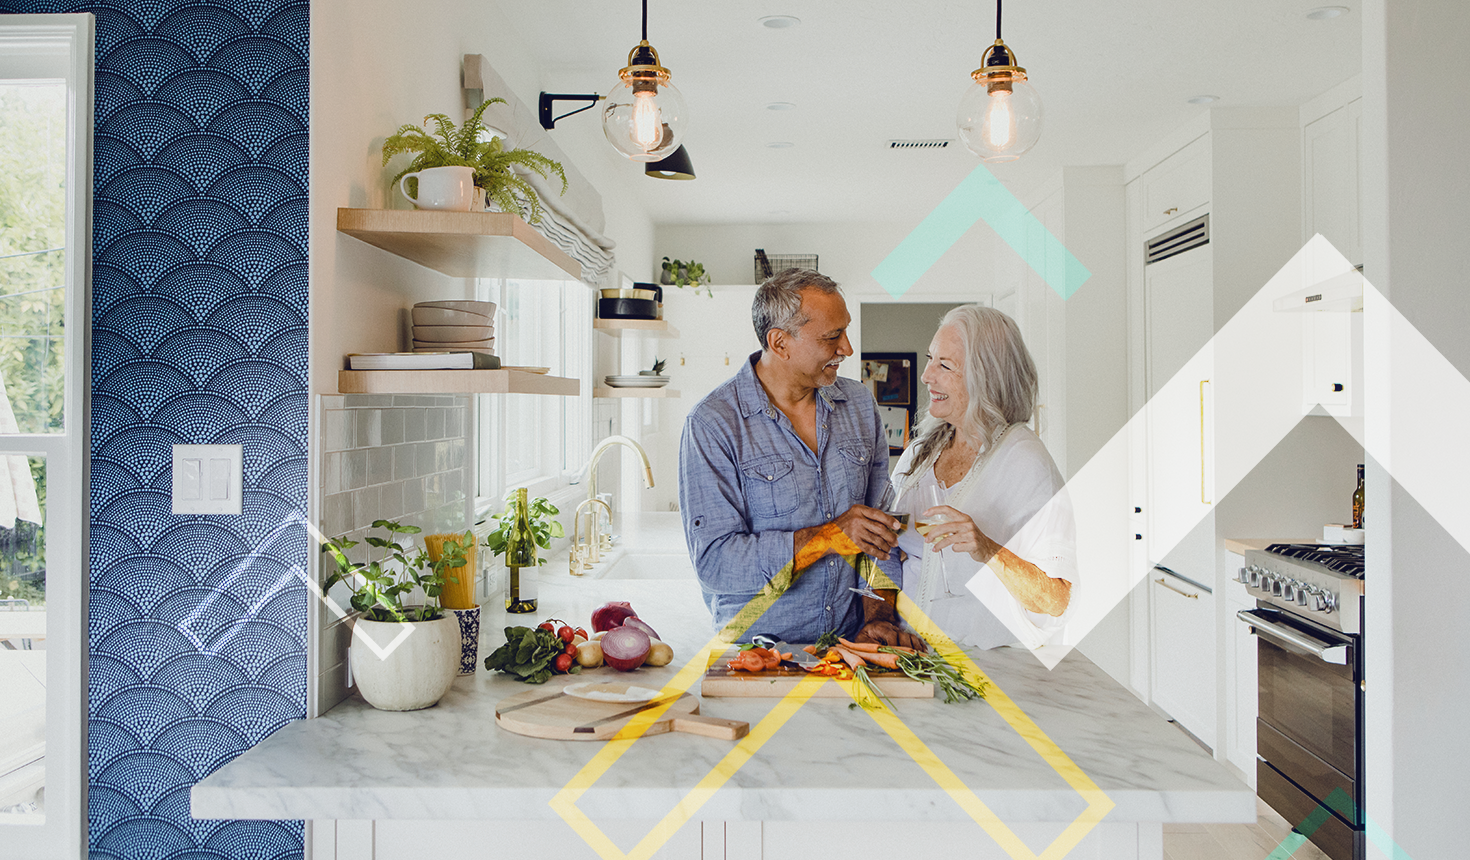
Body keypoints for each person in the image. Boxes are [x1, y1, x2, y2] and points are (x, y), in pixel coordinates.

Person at [679, 269, 922, 648]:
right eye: (831, 337)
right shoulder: (713, 424)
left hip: (850, 647)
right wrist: (829, 537)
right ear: (780, 343)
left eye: (845, 331)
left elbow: (880, 534)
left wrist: (879, 616)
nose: (847, 348)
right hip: (759, 655)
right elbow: (717, 564)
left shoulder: (858, 405)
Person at [890, 304, 1076, 651]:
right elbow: (893, 555)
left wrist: (986, 547)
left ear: (986, 377)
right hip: (912, 659)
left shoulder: (1024, 460)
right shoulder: (919, 454)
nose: (927, 375)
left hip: (987, 671)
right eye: (931, 359)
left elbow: (1056, 600)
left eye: (945, 366)